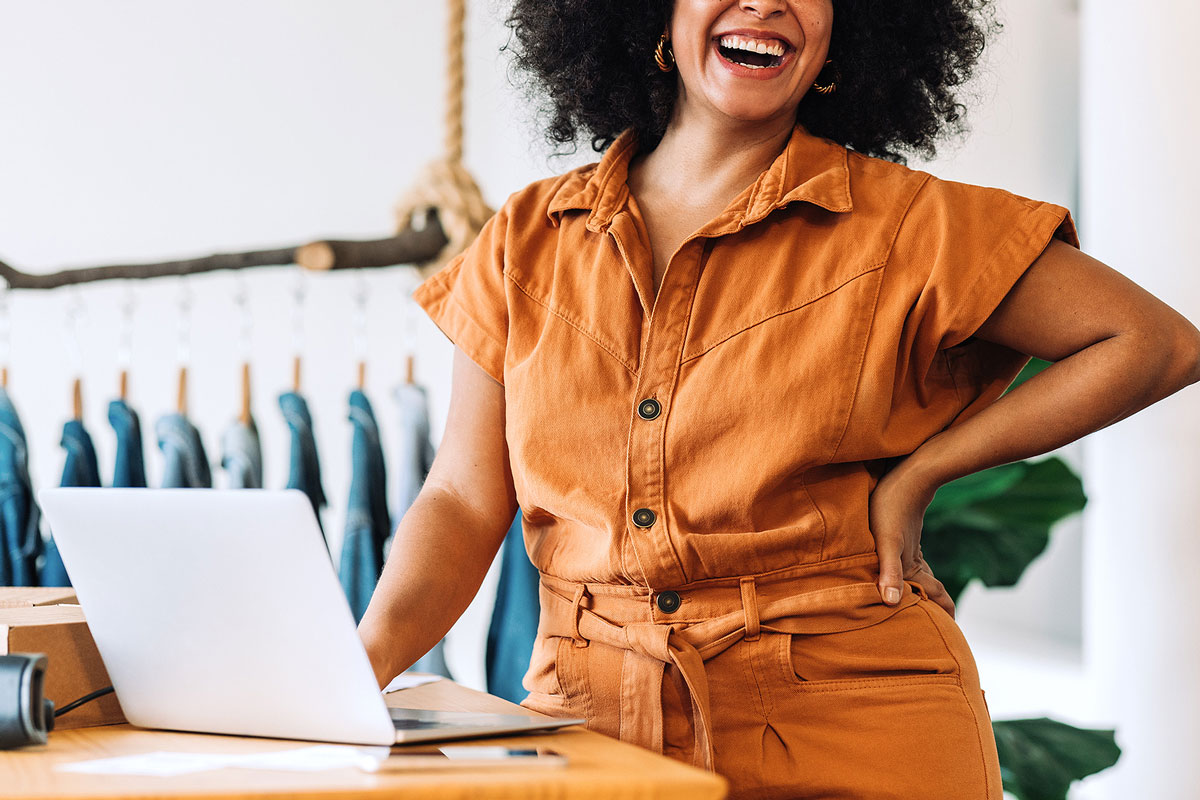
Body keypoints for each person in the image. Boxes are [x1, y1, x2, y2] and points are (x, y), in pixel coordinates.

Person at [358, 1, 1200, 797]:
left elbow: (1155, 344)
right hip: (590, 727)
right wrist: (354, 676)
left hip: (857, 730)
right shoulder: (526, 239)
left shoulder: (906, 227)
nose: (763, 2)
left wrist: (922, 474)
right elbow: (465, 500)